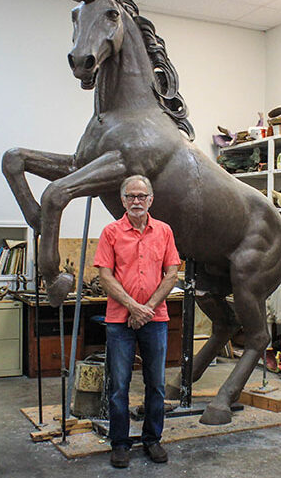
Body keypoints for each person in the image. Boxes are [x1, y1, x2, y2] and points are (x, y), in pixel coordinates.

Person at [93, 174, 180, 469]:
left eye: (142, 196)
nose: (136, 201)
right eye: (131, 196)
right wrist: (132, 306)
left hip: (155, 319)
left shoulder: (164, 231)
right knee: (119, 385)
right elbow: (105, 275)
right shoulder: (110, 232)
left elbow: (172, 274)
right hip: (120, 321)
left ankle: (152, 439)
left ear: (151, 200)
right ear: (123, 200)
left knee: (155, 384)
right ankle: (120, 443)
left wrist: (148, 307)